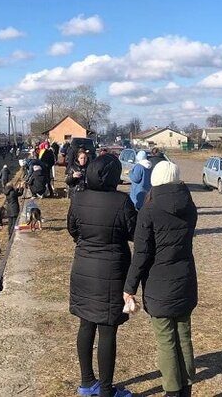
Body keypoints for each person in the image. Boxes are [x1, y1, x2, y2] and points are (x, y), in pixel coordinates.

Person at [123, 161, 197, 397]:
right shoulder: (190, 206)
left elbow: (142, 254)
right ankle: (186, 388)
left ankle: (172, 391)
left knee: (166, 340)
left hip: (158, 283)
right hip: (185, 279)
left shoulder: (149, 210)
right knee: (184, 336)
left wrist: (129, 287)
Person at [68, 154, 137, 397]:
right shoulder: (122, 202)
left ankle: (87, 382)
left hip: (83, 269)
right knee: (108, 330)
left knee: (86, 324)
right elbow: (134, 232)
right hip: (112, 272)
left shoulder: (78, 198)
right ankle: (107, 390)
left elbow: (72, 229)